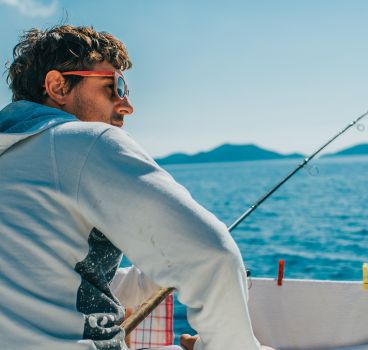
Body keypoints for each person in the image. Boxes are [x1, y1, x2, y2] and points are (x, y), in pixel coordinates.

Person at [0, 25, 267, 350]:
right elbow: (213, 255)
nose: (127, 105)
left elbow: (47, 279)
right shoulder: (85, 142)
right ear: (57, 86)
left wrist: (156, 271)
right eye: (114, 85)